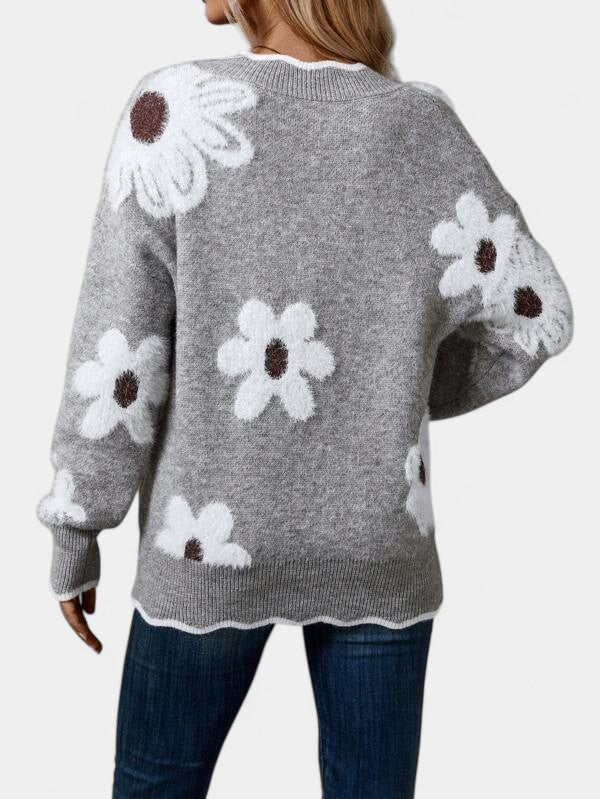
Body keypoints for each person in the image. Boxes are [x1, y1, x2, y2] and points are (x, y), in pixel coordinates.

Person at [37, 1, 573, 796]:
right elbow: (536, 316)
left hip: (205, 545)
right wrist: (385, 390)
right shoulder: (420, 128)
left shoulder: (175, 112)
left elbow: (119, 347)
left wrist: (77, 525)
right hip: (379, 544)